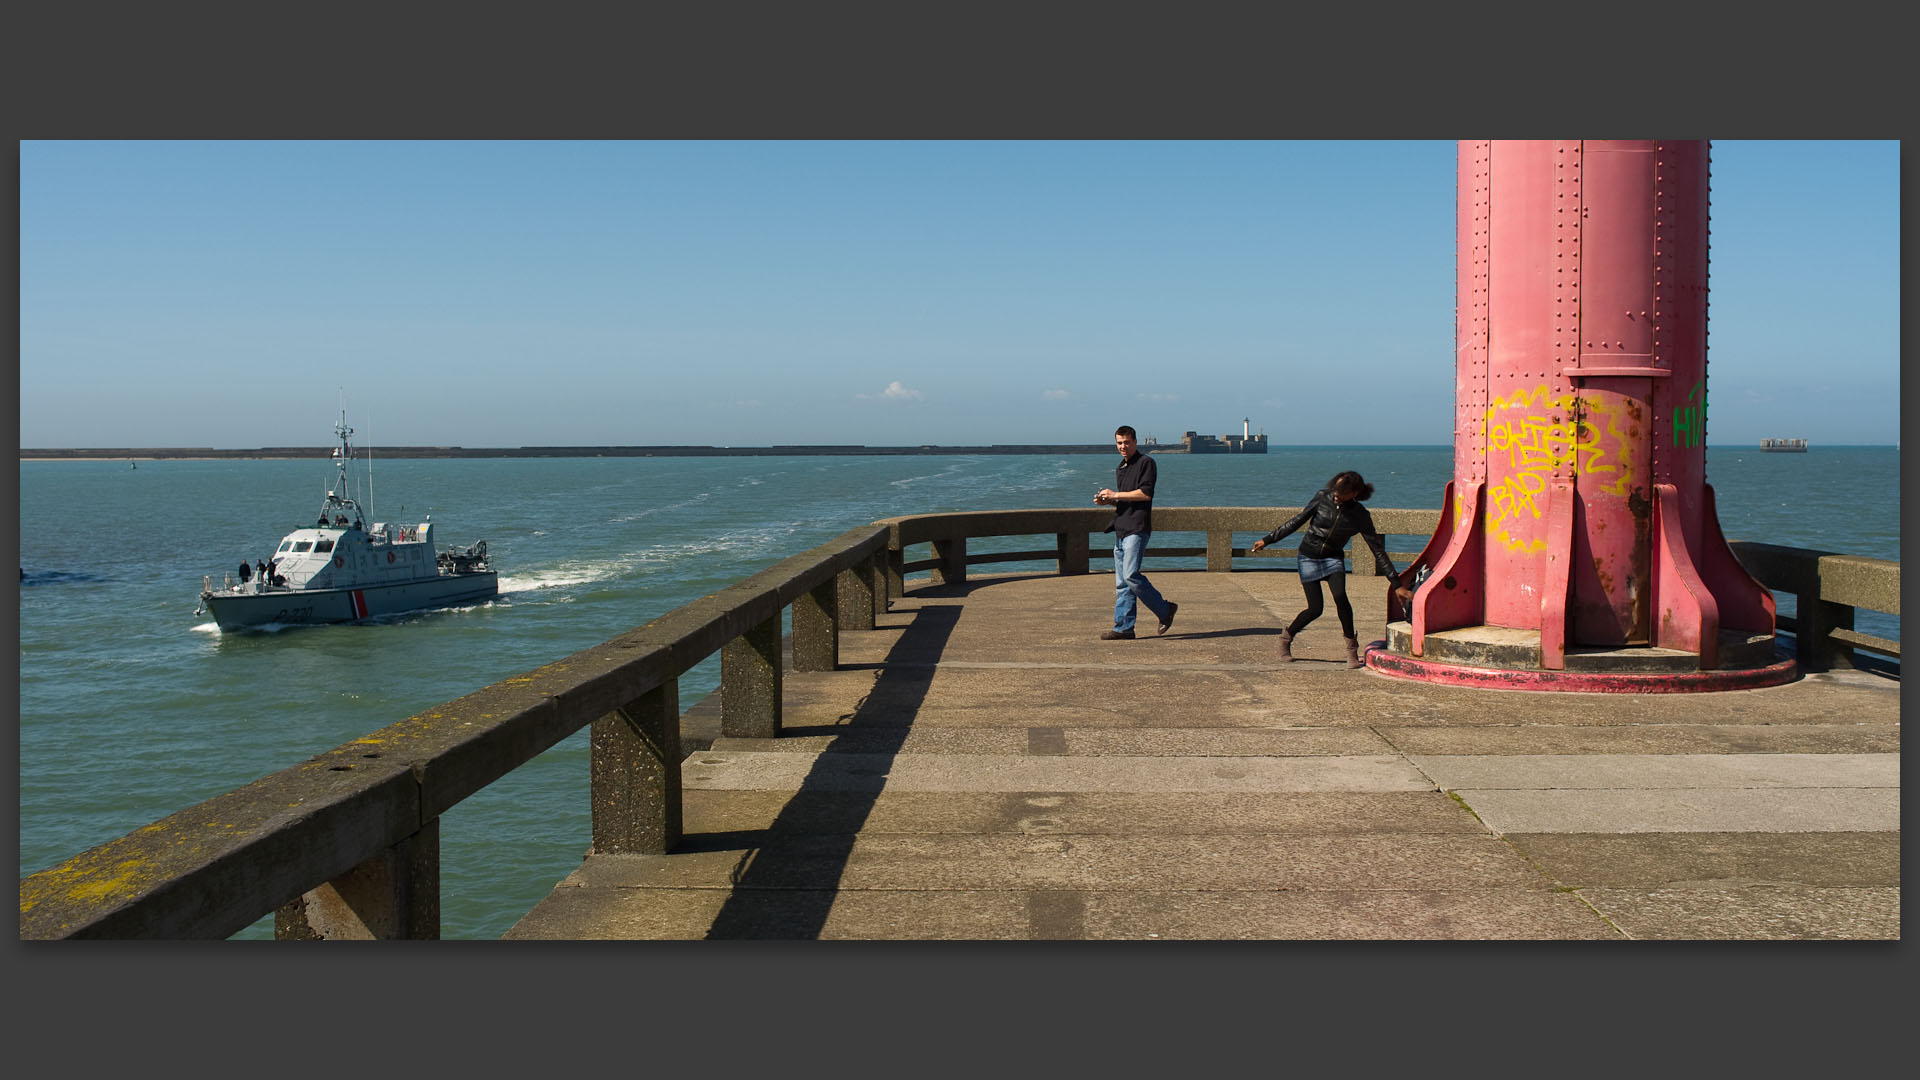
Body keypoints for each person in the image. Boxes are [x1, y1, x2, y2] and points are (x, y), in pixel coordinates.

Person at [1251, 470, 1395, 668]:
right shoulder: (1322, 498)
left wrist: (1395, 582)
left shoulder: (1360, 515)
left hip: (1332, 558)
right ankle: (1286, 639)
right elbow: (1297, 521)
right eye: (1335, 488)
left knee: (1340, 597)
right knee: (1315, 608)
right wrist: (1268, 539)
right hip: (1308, 556)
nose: (1336, 494)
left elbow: (1377, 549)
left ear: (1353, 493)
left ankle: (1351, 650)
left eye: (1341, 491)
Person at [1095, 425, 1177, 640]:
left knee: (1131, 576)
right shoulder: (1121, 467)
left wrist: (1115, 494)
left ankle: (1165, 610)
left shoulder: (1146, 463)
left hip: (1137, 528)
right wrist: (1107, 500)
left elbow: (1145, 494)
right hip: (1120, 527)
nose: (1123, 446)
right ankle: (1124, 628)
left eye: (1127, 442)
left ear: (1135, 442)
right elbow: (1124, 498)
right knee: (1122, 583)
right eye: (1119, 443)